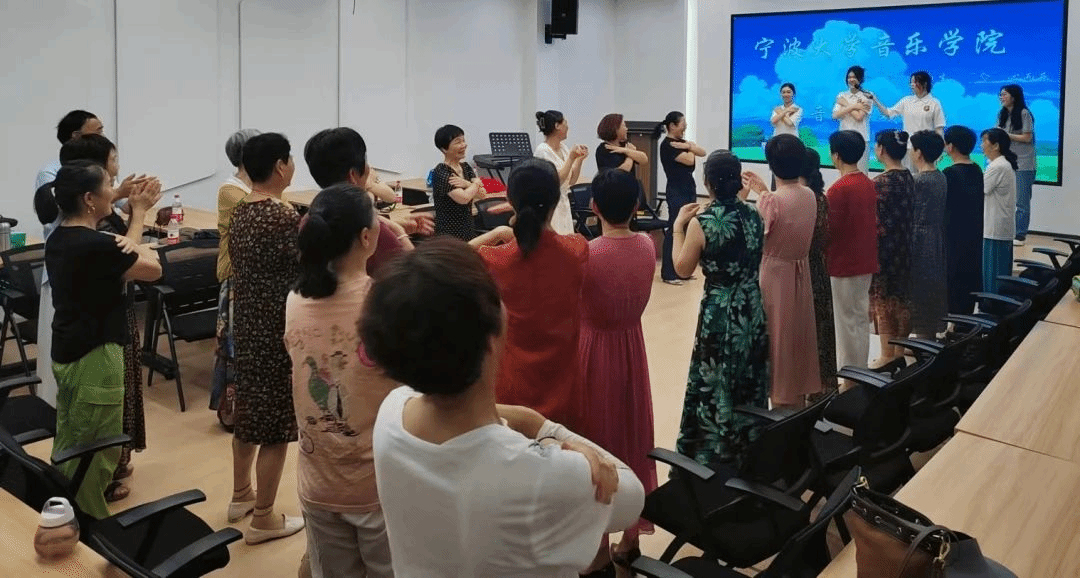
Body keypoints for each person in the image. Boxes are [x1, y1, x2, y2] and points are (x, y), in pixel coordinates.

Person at [363, 238, 645, 578]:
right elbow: (632, 498)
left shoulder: (390, 414)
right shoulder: (544, 475)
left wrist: (520, 418)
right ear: (490, 338)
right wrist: (549, 432)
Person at [285, 184, 394, 578]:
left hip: (318, 481)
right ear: (366, 237)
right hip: (376, 485)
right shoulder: (383, 303)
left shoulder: (295, 299)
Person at [46, 161, 161, 518]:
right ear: (89, 199)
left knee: (72, 438)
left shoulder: (59, 237)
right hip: (96, 355)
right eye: (109, 185)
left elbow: (122, 254)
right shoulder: (96, 246)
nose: (114, 191)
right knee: (97, 448)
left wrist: (133, 240)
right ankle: (88, 527)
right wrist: (139, 215)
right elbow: (153, 270)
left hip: (68, 350)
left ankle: (61, 509)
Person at [576, 168, 657, 568]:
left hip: (593, 351)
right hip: (632, 347)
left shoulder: (587, 253)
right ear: (637, 205)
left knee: (597, 438)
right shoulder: (646, 245)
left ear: (593, 207)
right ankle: (630, 537)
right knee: (631, 432)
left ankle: (597, 547)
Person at [227, 132, 305, 544]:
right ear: (279, 166)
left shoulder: (242, 210)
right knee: (276, 424)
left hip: (247, 324)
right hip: (277, 328)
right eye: (289, 160)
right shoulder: (282, 216)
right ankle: (263, 518)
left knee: (249, 409)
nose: (292, 166)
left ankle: (241, 493)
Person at [472, 158, 589, 432]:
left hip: (512, 391)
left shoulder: (495, 258)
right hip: (564, 388)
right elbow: (553, 241)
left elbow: (453, 256)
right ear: (555, 200)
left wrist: (497, 233)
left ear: (510, 200)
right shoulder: (577, 249)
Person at [671, 150, 769, 464]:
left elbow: (682, 269)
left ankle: (716, 451)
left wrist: (678, 227)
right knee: (747, 375)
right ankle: (749, 445)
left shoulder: (702, 223)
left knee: (716, 376)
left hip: (720, 309)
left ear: (708, 183)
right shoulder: (754, 214)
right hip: (751, 306)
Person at [745, 135, 821, 409]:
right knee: (797, 335)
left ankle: (780, 400)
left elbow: (757, 238)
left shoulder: (771, 202)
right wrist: (765, 193)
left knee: (777, 338)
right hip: (800, 273)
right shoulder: (809, 194)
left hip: (774, 275)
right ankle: (797, 397)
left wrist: (761, 195)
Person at [304, 127, 433, 276]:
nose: (368, 167)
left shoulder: (311, 219)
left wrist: (392, 227)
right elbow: (417, 278)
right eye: (365, 159)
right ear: (353, 175)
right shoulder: (369, 227)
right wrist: (400, 233)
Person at [211, 128, 260, 422]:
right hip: (236, 275)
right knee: (234, 345)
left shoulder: (255, 187)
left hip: (254, 275)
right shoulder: (231, 190)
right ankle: (232, 411)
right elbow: (262, 210)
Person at [826, 131, 879, 386]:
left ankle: (849, 379)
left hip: (843, 263)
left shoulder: (838, 189)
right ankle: (859, 370)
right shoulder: (867, 183)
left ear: (836, 156)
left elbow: (829, 230)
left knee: (845, 325)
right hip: (865, 260)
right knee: (858, 320)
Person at [870, 130, 915, 367]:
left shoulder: (879, 183)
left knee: (884, 303)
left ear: (881, 150)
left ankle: (887, 356)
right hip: (904, 248)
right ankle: (898, 351)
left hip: (883, 251)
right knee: (902, 299)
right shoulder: (909, 177)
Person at [799, 149, 837, 398]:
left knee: (808, 330)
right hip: (819, 269)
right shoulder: (820, 197)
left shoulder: (803, 200)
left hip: (804, 270)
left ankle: (809, 388)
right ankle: (823, 386)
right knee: (821, 328)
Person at [656, 111, 706, 285]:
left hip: (688, 189)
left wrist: (689, 146)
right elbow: (690, 160)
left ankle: (683, 270)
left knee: (687, 229)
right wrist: (690, 148)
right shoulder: (667, 145)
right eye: (683, 124)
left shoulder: (682, 143)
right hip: (676, 190)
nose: (685, 127)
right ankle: (669, 273)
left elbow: (702, 152)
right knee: (674, 228)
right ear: (672, 126)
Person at [909, 130, 948, 338]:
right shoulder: (940, 176)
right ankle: (928, 337)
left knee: (920, 289)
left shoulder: (919, 180)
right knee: (932, 287)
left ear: (919, 153)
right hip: (935, 238)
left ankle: (923, 340)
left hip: (919, 239)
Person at [942, 126, 984, 314]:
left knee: (954, 284)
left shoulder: (950, 173)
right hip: (974, 235)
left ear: (950, 146)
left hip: (954, 237)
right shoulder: (977, 169)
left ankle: (956, 323)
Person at [872, 71, 946, 170]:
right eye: (911, 82)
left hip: (927, 149)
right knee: (909, 176)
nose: (912, 85)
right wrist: (875, 100)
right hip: (908, 148)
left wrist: (940, 149)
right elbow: (888, 113)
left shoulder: (934, 103)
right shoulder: (906, 101)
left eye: (915, 82)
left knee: (925, 175)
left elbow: (939, 128)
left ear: (924, 84)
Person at [534, 110, 588, 235]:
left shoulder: (563, 148)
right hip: (550, 206)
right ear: (557, 126)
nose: (567, 126)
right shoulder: (543, 151)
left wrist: (579, 160)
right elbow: (556, 181)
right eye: (565, 123)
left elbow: (572, 180)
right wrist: (571, 158)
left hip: (563, 203)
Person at [431, 124, 486, 241]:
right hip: (449, 233)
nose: (464, 145)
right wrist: (476, 183)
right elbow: (463, 198)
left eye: (463, 141)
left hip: (468, 229)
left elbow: (482, 194)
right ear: (444, 149)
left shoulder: (466, 167)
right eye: (458, 142)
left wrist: (467, 184)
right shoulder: (442, 172)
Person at [981, 128, 1018, 294]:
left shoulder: (997, 166)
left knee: (994, 278)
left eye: (985, 141)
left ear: (996, 146)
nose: (982, 146)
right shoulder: (1002, 164)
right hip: (999, 227)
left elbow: (982, 189)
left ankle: (993, 306)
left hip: (995, 229)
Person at [997, 84, 1035, 245]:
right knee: (1006, 199)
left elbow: (1027, 137)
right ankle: (1008, 231)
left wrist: (1006, 135)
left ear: (1014, 96)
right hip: (1007, 161)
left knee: (1022, 202)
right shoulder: (1002, 114)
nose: (1001, 97)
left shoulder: (1024, 113)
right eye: (1000, 95)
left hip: (1024, 163)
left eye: (1004, 94)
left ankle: (1020, 235)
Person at [36, 110, 105, 189]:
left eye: (102, 131)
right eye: (98, 132)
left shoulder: (102, 167)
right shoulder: (50, 172)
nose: (103, 137)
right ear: (76, 136)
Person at [832, 66, 872, 173]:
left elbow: (859, 117)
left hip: (861, 139)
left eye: (854, 77)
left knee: (861, 172)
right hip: (843, 138)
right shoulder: (842, 95)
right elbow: (835, 115)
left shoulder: (867, 96)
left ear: (860, 79)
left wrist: (846, 104)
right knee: (844, 173)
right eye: (849, 77)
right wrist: (854, 106)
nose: (851, 80)